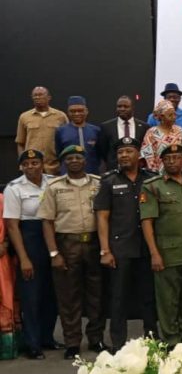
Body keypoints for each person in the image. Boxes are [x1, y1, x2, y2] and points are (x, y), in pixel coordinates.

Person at [39, 145, 107, 359]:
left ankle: (96, 339)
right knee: (68, 296)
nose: (74, 161)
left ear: (85, 160)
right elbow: (47, 221)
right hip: (67, 244)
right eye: (69, 158)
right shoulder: (54, 187)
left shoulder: (98, 183)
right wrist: (54, 253)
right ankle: (72, 343)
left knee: (97, 295)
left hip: (94, 243)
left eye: (78, 157)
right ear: (63, 163)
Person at [140, 144, 182, 350]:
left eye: (176, 157)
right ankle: (171, 339)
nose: (172, 162)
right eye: (167, 158)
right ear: (162, 162)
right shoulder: (153, 186)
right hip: (168, 253)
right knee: (168, 300)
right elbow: (147, 221)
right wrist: (154, 253)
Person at [94, 138, 157, 350]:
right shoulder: (109, 181)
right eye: (120, 152)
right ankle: (118, 344)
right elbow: (102, 217)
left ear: (138, 155)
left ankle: (153, 341)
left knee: (148, 297)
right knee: (118, 298)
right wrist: (105, 250)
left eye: (129, 151)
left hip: (146, 248)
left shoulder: (150, 179)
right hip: (120, 248)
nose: (124, 156)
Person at [3, 150, 62, 360]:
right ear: (21, 167)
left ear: (42, 164)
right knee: (32, 296)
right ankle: (33, 344)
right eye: (26, 164)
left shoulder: (53, 182)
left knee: (51, 293)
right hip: (29, 239)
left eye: (35, 162)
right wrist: (24, 258)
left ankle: (47, 337)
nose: (31, 167)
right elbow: (12, 226)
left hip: (54, 236)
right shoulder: (14, 188)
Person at [15, 86, 68, 175]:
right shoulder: (24, 117)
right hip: (32, 167)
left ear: (49, 97)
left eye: (40, 95)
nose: (37, 97)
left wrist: (64, 164)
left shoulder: (60, 116)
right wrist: (22, 163)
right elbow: (20, 143)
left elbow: (66, 141)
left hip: (55, 167)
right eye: (35, 95)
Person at [98, 96, 149, 171]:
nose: (122, 109)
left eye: (126, 106)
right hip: (114, 170)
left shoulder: (144, 127)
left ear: (132, 108)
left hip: (137, 170)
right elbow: (103, 150)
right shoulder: (106, 126)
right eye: (119, 106)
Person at [55, 96, 101, 175]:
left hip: (92, 173)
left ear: (86, 111)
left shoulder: (96, 130)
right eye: (73, 111)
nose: (77, 114)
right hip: (68, 174)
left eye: (80, 111)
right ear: (68, 112)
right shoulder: (61, 131)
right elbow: (59, 153)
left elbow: (100, 154)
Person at [0, 194, 20, 360]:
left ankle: (5, 349)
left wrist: (5, 243)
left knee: (4, 298)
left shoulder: (2, 200)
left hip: (1, 258)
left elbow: (12, 227)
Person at [140, 100, 182, 174]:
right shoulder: (152, 132)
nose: (174, 117)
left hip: (178, 172)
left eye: (174, 114)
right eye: (170, 115)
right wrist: (154, 173)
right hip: (158, 174)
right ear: (162, 117)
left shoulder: (179, 130)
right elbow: (147, 155)